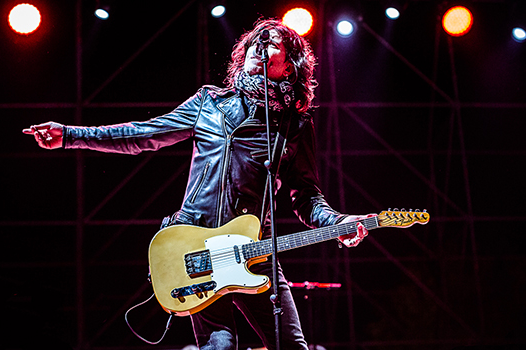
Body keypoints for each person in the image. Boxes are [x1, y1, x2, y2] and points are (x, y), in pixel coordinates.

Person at [23, 18, 374, 350]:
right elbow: (142, 135)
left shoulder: (294, 126)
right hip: (196, 245)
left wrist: (337, 221)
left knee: (291, 346)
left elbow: (307, 197)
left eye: (272, 43)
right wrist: (71, 136)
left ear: (290, 66)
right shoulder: (210, 103)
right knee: (219, 344)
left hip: (256, 251)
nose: (259, 45)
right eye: (255, 40)